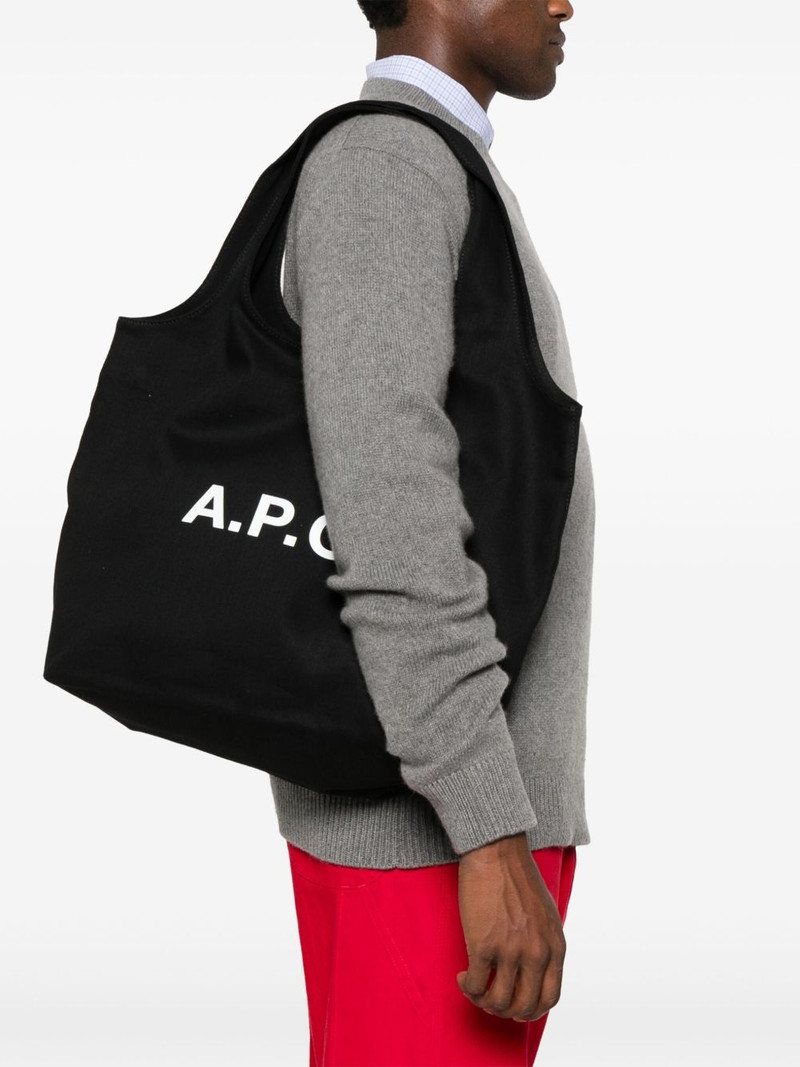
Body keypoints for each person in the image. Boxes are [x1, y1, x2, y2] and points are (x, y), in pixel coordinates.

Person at [266, 1, 594, 1063]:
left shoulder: (432, 164)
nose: (563, 2)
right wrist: (490, 831)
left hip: (454, 820)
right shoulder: (387, 170)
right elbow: (391, 526)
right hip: (440, 838)